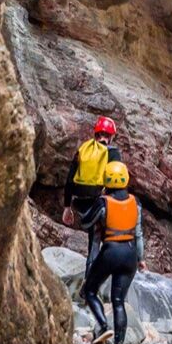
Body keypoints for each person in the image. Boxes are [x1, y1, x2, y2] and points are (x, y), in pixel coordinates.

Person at [77, 161, 146, 344]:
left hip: (111, 252)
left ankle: (103, 325)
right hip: (130, 254)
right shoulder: (136, 202)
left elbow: (86, 222)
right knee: (118, 301)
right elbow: (139, 234)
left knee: (89, 290)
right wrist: (141, 258)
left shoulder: (103, 202)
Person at [63, 116, 122, 276]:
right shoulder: (113, 153)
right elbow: (116, 183)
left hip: (80, 205)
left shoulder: (83, 149)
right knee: (110, 242)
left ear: (95, 134)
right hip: (101, 205)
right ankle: (97, 285)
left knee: (94, 242)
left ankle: (89, 284)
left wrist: (67, 207)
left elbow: (69, 180)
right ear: (111, 136)